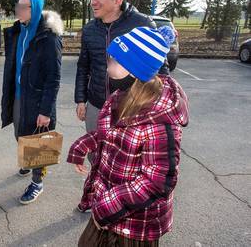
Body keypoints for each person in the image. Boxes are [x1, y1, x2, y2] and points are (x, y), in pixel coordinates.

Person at [68, 26, 189, 246]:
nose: (107, 69)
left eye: (113, 62)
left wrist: (107, 205)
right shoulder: (120, 96)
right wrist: (84, 144)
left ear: (135, 70)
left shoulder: (159, 121)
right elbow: (113, 133)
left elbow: (158, 182)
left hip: (135, 224)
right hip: (108, 206)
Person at [75, 0, 163, 136]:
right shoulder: (89, 29)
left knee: (126, 156)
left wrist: (156, 105)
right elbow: (83, 67)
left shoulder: (142, 23)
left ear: (118, 0)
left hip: (130, 106)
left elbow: (161, 68)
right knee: (95, 152)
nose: (93, 1)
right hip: (97, 105)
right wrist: (81, 100)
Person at [1, 0, 63, 204]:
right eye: (18, 5)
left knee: (39, 143)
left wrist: (45, 111)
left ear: (35, 9)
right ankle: (28, 162)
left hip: (37, 101)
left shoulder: (49, 37)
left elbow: (54, 78)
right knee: (20, 134)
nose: (19, 10)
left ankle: (38, 182)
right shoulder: (19, 31)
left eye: (24, 6)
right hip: (19, 97)